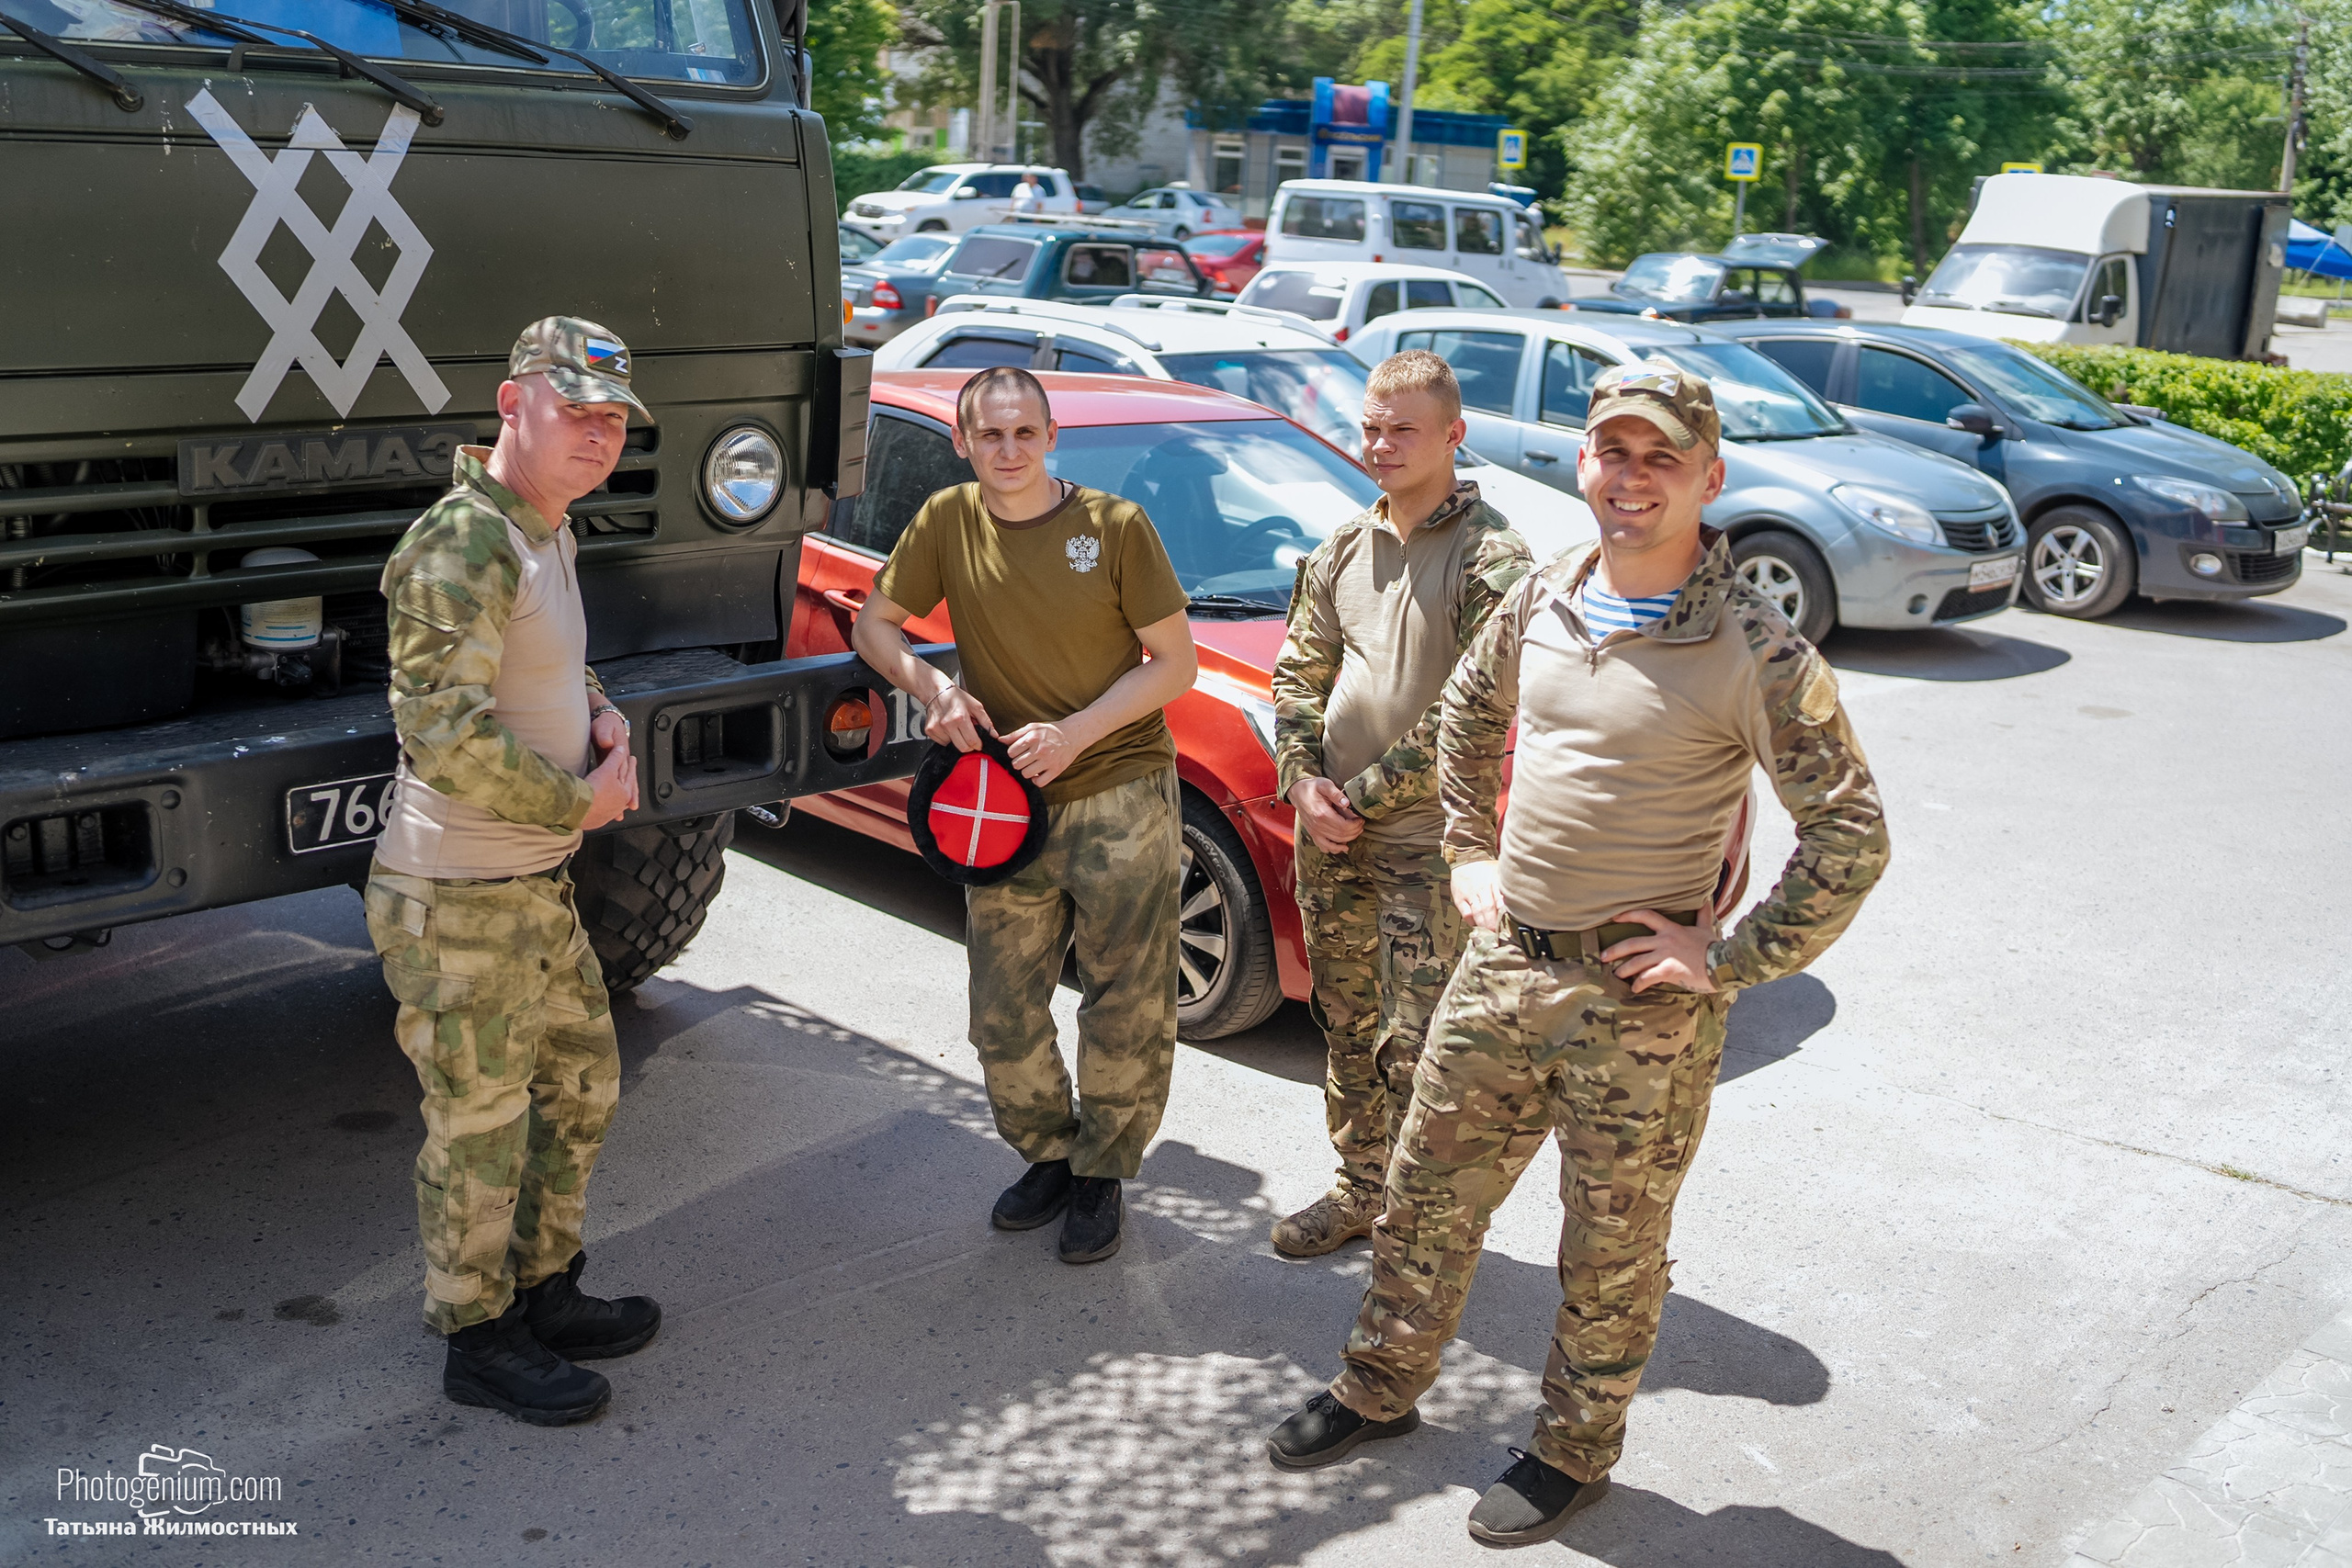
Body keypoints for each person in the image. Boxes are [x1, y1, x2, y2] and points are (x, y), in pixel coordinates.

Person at [1266, 363, 1893, 1546]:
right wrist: (1466, 851)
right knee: (1418, 1198)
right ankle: (1377, 1385)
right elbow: (1463, 718)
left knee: (1609, 1248)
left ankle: (1570, 1451)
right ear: (1582, 465)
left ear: (1710, 477)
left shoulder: (1754, 648)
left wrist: (1733, 957)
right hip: (1503, 966)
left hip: (1640, 1007)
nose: (1632, 477)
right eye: (1614, 452)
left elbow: (1851, 834)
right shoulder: (1545, 595)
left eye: (1661, 458)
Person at [366, 317, 656, 1427]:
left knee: (578, 1090)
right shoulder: (462, 542)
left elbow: (543, 666)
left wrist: (596, 712)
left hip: (531, 885)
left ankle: (542, 1291)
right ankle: (475, 1336)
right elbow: (442, 732)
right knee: (479, 1128)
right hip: (459, 897)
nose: (597, 435)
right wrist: (582, 802)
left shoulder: (542, 531)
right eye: (574, 410)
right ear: (508, 402)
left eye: (612, 420)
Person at [853, 366, 1199, 1264]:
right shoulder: (947, 520)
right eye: (988, 436)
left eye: (1023, 434)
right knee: (1002, 1009)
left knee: (1127, 1002)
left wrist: (1078, 733)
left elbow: (1174, 665)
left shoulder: (1114, 528)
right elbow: (874, 624)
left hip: (1119, 788)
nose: (1007, 451)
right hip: (1001, 804)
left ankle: (1100, 1175)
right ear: (963, 443)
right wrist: (930, 686)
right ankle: (1047, 1152)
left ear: (1052, 440)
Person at [1267, 350, 1532, 1257]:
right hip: (1331, 838)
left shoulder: (1494, 556)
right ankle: (1358, 1190)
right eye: (1371, 427)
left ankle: (1425, 1223)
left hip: (1423, 849)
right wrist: (1300, 779)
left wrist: (1359, 797)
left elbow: (1475, 709)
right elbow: (1297, 676)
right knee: (1344, 1029)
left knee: (1418, 1047)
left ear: (1452, 435)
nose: (1379, 444)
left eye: (1401, 429)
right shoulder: (1343, 543)